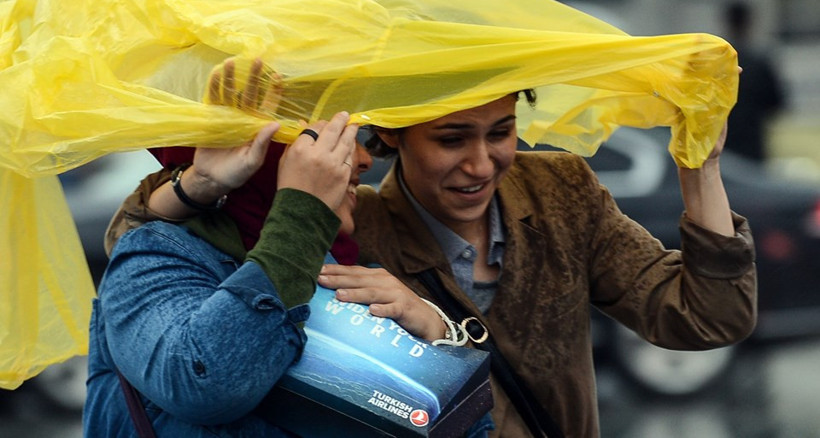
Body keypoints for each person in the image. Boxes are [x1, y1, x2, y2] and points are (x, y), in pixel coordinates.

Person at [109, 65, 757, 438]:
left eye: (501, 133)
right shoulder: (352, 226)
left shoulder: (562, 190)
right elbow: (139, 250)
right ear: (391, 136)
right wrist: (197, 184)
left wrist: (700, 167)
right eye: (452, 140)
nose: (482, 163)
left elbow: (709, 316)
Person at [83, 104, 465, 436]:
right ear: (269, 157)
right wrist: (303, 212)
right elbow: (206, 384)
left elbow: (464, 426)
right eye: (326, 140)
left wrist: (438, 338)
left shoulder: (349, 270)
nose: (365, 159)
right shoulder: (156, 254)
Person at [722, 0, 786, 161]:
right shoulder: (760, 60)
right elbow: (777, 103)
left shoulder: (716, 60)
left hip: (722, 143)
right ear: (750, 21)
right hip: (753, 144)